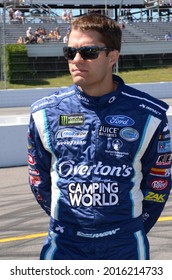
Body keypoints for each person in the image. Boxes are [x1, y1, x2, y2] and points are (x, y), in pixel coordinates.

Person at [28, 13, 171, 260]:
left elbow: (159, 182)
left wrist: (130, 227)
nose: (76, 60)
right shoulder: (44, 113)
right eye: (70, 52)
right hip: (65, 244)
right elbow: (38, 180)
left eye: (89, 52)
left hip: (125, 244)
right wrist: (74, 225)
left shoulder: (150, 114)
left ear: (112, 57)